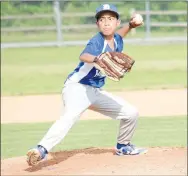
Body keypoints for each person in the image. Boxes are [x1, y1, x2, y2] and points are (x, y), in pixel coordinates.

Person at [27, 4, 147, 166]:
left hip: (95, 91)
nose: (106, 23)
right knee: (69, 117)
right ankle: (40, 150)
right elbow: (83, 55)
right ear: (97, 24)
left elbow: (119, 34)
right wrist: (97, 59)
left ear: (117, 22)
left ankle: (123, 146)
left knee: (131, 113)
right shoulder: (97, 41)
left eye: (110, 19)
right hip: (77, 88)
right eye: (102, 19)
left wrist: (131, 25)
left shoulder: (117, 39)